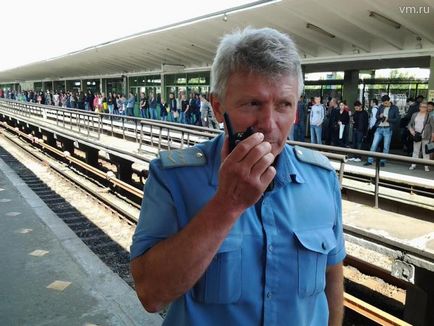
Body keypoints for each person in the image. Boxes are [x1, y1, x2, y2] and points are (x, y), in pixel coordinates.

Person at [130, 27, 345, 326]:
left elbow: (332, 275)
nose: (269, 124)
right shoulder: (173, 178)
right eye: (252, 104)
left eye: (284, 104)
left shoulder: (322, 179)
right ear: (218, 107)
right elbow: (151, 294)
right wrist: (227, 204)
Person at [364, 94, 400, 167]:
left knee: (386, 146)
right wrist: (379, 116)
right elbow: (376, 116)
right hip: (379, 128)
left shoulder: (395, 108)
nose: (384, 104)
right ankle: (370, 160)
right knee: (373, 145)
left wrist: (388, 119)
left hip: (388, 128)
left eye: (386, 103)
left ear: (389, 101)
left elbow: (397, 119)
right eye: (383, 103)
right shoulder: (381, 107)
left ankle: (383, 161)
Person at [407, 100, 434, 171]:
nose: (423, 108)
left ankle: (426, 166)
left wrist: (432, 137)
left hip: (426, 136)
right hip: (417, 135)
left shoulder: (430, 116)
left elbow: (433, 127)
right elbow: (410, 124)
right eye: (422, 106)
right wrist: (411, 130)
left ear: (426, 108)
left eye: (425, 107)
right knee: (415, 151)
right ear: (419, 107)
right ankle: (413, 165)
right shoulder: (415, 114)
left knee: (425, 152)